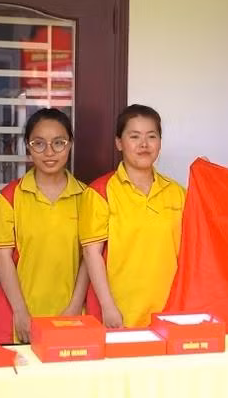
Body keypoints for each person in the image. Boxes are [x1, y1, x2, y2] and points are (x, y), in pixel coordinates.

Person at [0, 108, 89, 344]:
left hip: (71, 313)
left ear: (70, 144)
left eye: (59, 143)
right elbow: (2, 256)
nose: (49, 152)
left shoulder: (87, 197)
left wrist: (74, 308)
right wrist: (21, 312)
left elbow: (89, 257)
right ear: (27, 146)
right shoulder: (11, 195)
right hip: (18, 316)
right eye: (39, 143)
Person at [79, 104, 186, 329]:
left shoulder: (177, 193)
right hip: (119, 313)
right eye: (134, 136)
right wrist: (108, 307)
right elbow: (91, 254)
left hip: (169, 311)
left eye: (151, 136)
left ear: (160, 143)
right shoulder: (100, 192)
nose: (144, 144)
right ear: (119, 143)